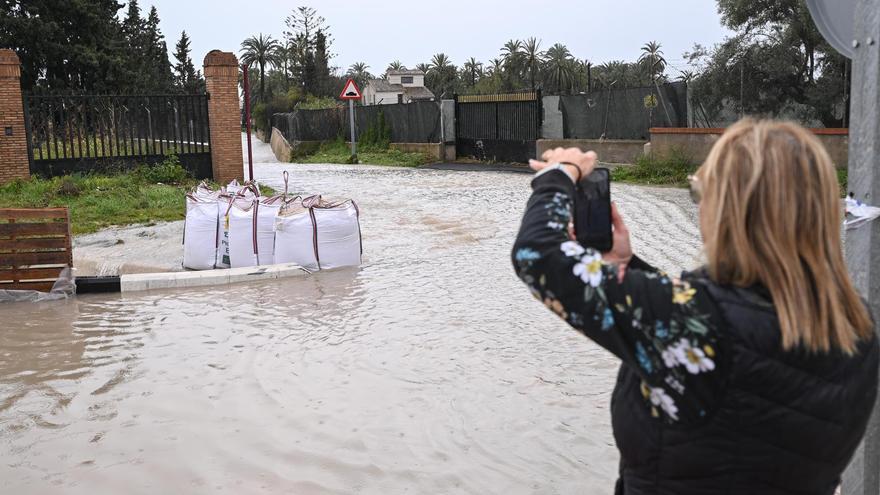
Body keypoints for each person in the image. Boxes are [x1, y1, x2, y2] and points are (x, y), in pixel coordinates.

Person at [511, 119, 879, 495]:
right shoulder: (858, 327)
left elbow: (538, 255)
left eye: (698, 193)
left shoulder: (698, 325)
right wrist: (628, 268)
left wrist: (559, 175)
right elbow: (735, 335)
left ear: (727, 211)